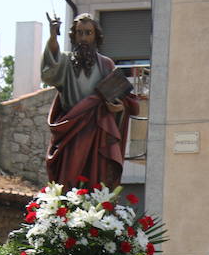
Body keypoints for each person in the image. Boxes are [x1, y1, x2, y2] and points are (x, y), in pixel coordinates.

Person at [41, 12, 140, 189]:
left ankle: (95, 209)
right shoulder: (65, 61)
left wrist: (118, 109)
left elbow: (121, 98)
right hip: (71, 127)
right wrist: (53, 36)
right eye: (80, 33)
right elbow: (51, 62)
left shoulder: (106, 64)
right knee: (68, 174)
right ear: (73, 35)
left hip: (97, 128)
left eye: (88, 32)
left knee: (96, 175)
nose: (84, 38)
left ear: (96, 36)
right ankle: (65, 209)